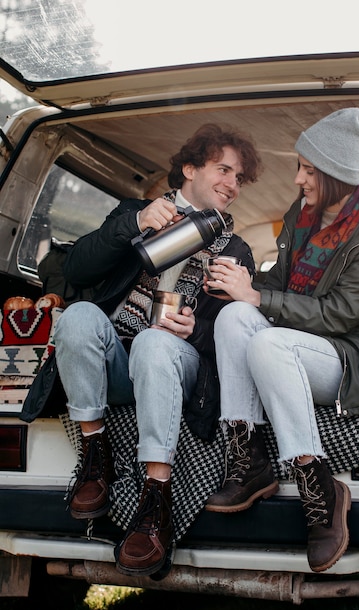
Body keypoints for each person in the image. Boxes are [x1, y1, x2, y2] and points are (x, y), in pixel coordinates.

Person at [203, 108, 359, 573]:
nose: (298, 178)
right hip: (299, 341)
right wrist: (242, 285)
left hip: (358, 354)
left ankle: (317, 484)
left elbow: (340, 314)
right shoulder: (302, 214)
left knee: (266, 341)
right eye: (301, 166)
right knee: (235, 316)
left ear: (338, 174)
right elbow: (276, 283)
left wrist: (259, 295)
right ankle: (248, 459)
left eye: (309, 170)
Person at [50, 123, 265, 578]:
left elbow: (233, 335)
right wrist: (135, 223)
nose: (232, 184)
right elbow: (77, 268)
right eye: (223, 170)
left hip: (175, 363)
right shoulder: (135, 211)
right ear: (189, 168)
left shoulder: (236, 248)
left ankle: (156, 501)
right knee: (78, 316)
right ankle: (95, 456)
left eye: (239, 178)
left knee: (155, 340)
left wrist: (195, 330)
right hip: (117, 361)